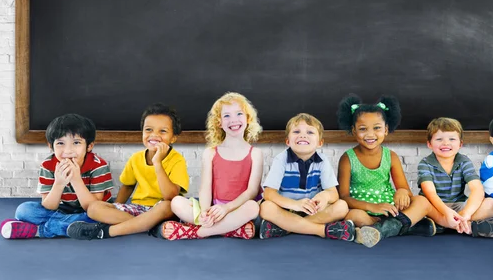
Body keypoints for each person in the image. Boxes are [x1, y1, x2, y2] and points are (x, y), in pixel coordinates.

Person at [66, 103, 189, 240]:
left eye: (163, 131)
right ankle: (146, 225)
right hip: (138, 209)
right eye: (148, 130)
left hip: (162, 210)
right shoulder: (136, 159)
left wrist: (157, 163)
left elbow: (170, 196)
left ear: (173, 138)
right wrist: (115, 207)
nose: (154, 135)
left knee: (167, 206)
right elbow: (127, 186)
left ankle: (108, 231)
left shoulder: (177, 160)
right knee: (94, 208)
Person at [156, 92, 263, 240]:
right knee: (176, 202)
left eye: (239, 114)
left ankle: (196, 232)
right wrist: (206, 213)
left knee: (253, 207)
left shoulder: (255, 154)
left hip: (238, 208)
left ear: (248, 118)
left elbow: (251, 191)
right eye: (226, 116)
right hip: (213, 209)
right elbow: (205, 188)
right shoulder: (210, 153)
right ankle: (230, 230)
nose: (233, 120)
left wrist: (226, 209)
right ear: (219, 123)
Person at [337, 94, 436, 248]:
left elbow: (405, 190)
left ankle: (381, 230)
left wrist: (401, 192)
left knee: (421, 201)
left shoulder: (391, 156)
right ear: (354, 130)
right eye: (363, 129)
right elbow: (343, 197)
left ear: (386, 130)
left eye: (377, 128)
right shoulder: (347, 158)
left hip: (391, 209)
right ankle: (403, 227)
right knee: (353, 216)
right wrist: (372, 207)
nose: (370, 134)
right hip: (363, 210)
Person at [0, 114, 113, 239]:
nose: (68, 150)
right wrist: (59, 183)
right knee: (24, 210)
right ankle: (71, 226)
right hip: (63, 209)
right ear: (50, 146)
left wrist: (76, 180)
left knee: (99, 218)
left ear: (89, 146)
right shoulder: (48, 165)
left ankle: (41, 230)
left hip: (92, 212)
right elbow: (49, 206)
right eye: (60, 143)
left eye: (76, 143)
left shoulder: (98, 166)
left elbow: (92, 206)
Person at [259, 113, 355, 242]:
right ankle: (322, 231)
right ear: (288, 141)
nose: (303, 135)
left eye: (310, 132)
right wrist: (295, 205)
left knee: (342, 206)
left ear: (320, 143)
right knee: (266, 208)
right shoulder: (281, 159)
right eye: (297, 131)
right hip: (286, 209)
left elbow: (333, 194)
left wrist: (325, 197)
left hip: (313, 211)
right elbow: (269, 194)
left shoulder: (323, 161)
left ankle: (285, 228)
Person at [417, 117, 493, 238]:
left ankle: (452, 224)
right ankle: (469, 227)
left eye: (452, 139)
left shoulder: (464, 161)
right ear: (429, 144)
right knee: (419, 203)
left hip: (458, 206)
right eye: (439, 139)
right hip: (435, 206)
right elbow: (430, 193)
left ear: (460, 144)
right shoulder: (425, 163)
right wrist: (446, 212)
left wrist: (465, 214)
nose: (446, 143)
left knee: (492, 203)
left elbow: (477, 190)